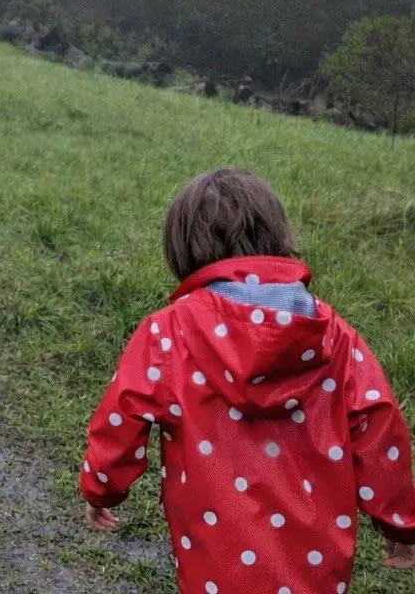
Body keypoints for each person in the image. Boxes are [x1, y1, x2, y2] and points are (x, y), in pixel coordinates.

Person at [81, 168, 415, 593]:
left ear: (183, 249)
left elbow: (122, 412)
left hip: (212, 563)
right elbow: (378, 426)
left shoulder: (167, 334)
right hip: (314, 567)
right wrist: (399, 524)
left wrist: (101, 488)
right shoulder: (334, 338)